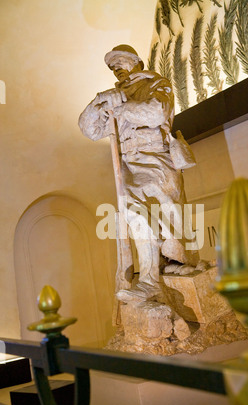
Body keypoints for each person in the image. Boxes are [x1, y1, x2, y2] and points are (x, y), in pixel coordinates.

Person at [79, 45, 200, 303]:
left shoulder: (156, 83)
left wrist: (120, 108)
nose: (117, 68)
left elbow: (157, 112)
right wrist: (99, 102)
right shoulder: (113, 95)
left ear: (137, 62)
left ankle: (175, 261)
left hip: (156, 158)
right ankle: (148, 280)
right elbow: (89, 129)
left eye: (121, 61)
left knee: (168, 216)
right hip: (129, 165)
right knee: (136, 217)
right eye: (113, 67)